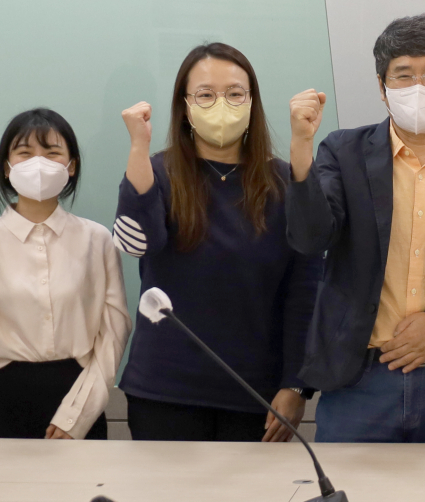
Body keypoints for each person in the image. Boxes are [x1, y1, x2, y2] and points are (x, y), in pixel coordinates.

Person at [286, 13, 425, 442]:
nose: (418, 87)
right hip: (358, 380)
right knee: (348, 486)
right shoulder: (343, 152)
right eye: (403, 75)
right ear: (382, 86)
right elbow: (311, 238)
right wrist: (301, 146)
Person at [112, 43, 322, 442]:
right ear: (185, 105)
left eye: (235, 93)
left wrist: (296, 385)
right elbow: (138, 243)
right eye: (206, 94)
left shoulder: (282, 181)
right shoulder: (158, 172)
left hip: (257, 396)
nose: (221, 104)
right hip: (164, 392)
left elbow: (305, 289)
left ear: (252, 102)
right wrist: (138, 147)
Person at [0, 109, 127, 440]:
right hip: (0, 400)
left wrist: (78, 414)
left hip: (78, 399)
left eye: (52, 152)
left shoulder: (96, 239)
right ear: (7, 167)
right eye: (25, 153)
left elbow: (114, 333)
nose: (39, 163)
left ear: (71, 165)